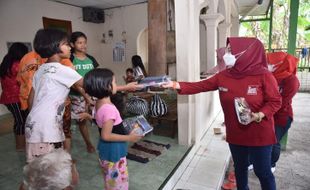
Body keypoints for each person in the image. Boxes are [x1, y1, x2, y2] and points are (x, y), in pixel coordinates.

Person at [162, 37, 282, 190]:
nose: (227, 54)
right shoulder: (224, 75)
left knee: (262, 171)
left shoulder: (264, 75)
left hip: (259, 133)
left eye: (232, 51)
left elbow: (275, 101)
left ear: (247, 53)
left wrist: (259, 115)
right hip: (236, 132)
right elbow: (201, 86)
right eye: (228, 50)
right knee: (240, 168)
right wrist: (175, 84)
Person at [25, 28, 91, 163]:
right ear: (55, 46)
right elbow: (91, 85)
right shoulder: (62, 70)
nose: (70, 47)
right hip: (46, 127)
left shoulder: (41, 69)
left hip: (35, 123)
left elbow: (31, 98)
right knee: (46, 173)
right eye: (66, 44)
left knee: (37, 169)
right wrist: (122, 86)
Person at [83, 68, 142, 190]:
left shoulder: (98, 103)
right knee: (118, 183)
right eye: (114, 82)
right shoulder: (109, 109)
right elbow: (106, 135)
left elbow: (102, 123)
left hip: (106, 149)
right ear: (107, 87)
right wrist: (130, 137)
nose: (117, 85)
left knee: (110, 180)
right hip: (113, 150)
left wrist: (89, 116)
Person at [267, 52, 300, 172]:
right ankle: (258, 162)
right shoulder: (269, 76)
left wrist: (264, 111)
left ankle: (271, 165)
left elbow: (281, 102)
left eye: (270, 63)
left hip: (282, 116)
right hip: (267, 114)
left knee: (274, 140)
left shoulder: (292, 81)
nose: (268, 65)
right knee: (264, 140)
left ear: (280, 64)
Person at [69, 31, 99, 153]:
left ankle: (104, 137)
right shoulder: (70, 59)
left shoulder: (91, 59)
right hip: (76, 95)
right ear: (72, 44)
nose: (83, 45)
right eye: (79, 43)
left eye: (85, 42)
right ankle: (88, 143)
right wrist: (85, 96)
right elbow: (72, 82)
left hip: (93, 94)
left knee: (98, 116)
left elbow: (97, 76)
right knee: (82, 121)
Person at [0, 42, 29, 151]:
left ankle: (22, 143)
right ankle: (20, 146)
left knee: (20, 120)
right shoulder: (17, 65)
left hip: (8, 98)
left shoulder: (5, 63)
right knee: (21, 121)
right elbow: (25, 82)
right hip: (15, 98)